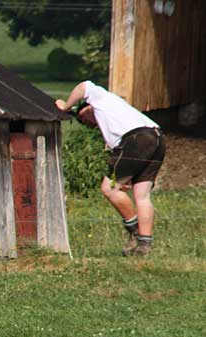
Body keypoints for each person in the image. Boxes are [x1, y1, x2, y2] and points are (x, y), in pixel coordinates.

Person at [56, 81, 166, 256]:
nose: (87, 123)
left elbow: (83, 86)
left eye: (83, 119)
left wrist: (66, 106)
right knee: (142, 195)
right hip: (157, 138)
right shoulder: (113, 114)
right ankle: (144, 246)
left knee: (108, 189)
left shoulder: (99, 98)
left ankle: (134, 229)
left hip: (136, 139)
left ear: (86, 108)